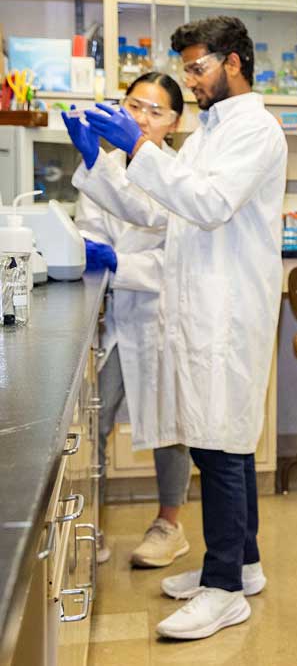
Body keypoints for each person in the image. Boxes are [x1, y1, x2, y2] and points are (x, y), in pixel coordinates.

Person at [71, 16, 287, 640]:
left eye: (198, 67)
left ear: (235, 62)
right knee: (223, 441)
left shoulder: (256, 131)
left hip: (227, 309)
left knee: (221, 445)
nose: (190, 80)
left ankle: (223, 591)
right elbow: (161, 209)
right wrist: (101, 167)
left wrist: (140, 151)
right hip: (201, 306)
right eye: (188, 68)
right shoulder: (209, 133)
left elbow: (211, 204)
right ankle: (241, 565)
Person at [64, 73, 193, 569]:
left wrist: (121, 263)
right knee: (94, 422)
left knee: (169, 425)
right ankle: (90, 525)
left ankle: (169, 524)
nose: (140, 117)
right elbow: (90, 227)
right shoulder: (105, 168)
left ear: (175, 123)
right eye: (134, 105)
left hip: (160, 315)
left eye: (154, 111)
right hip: (114, 317)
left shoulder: (180, 177)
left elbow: (170, 251)